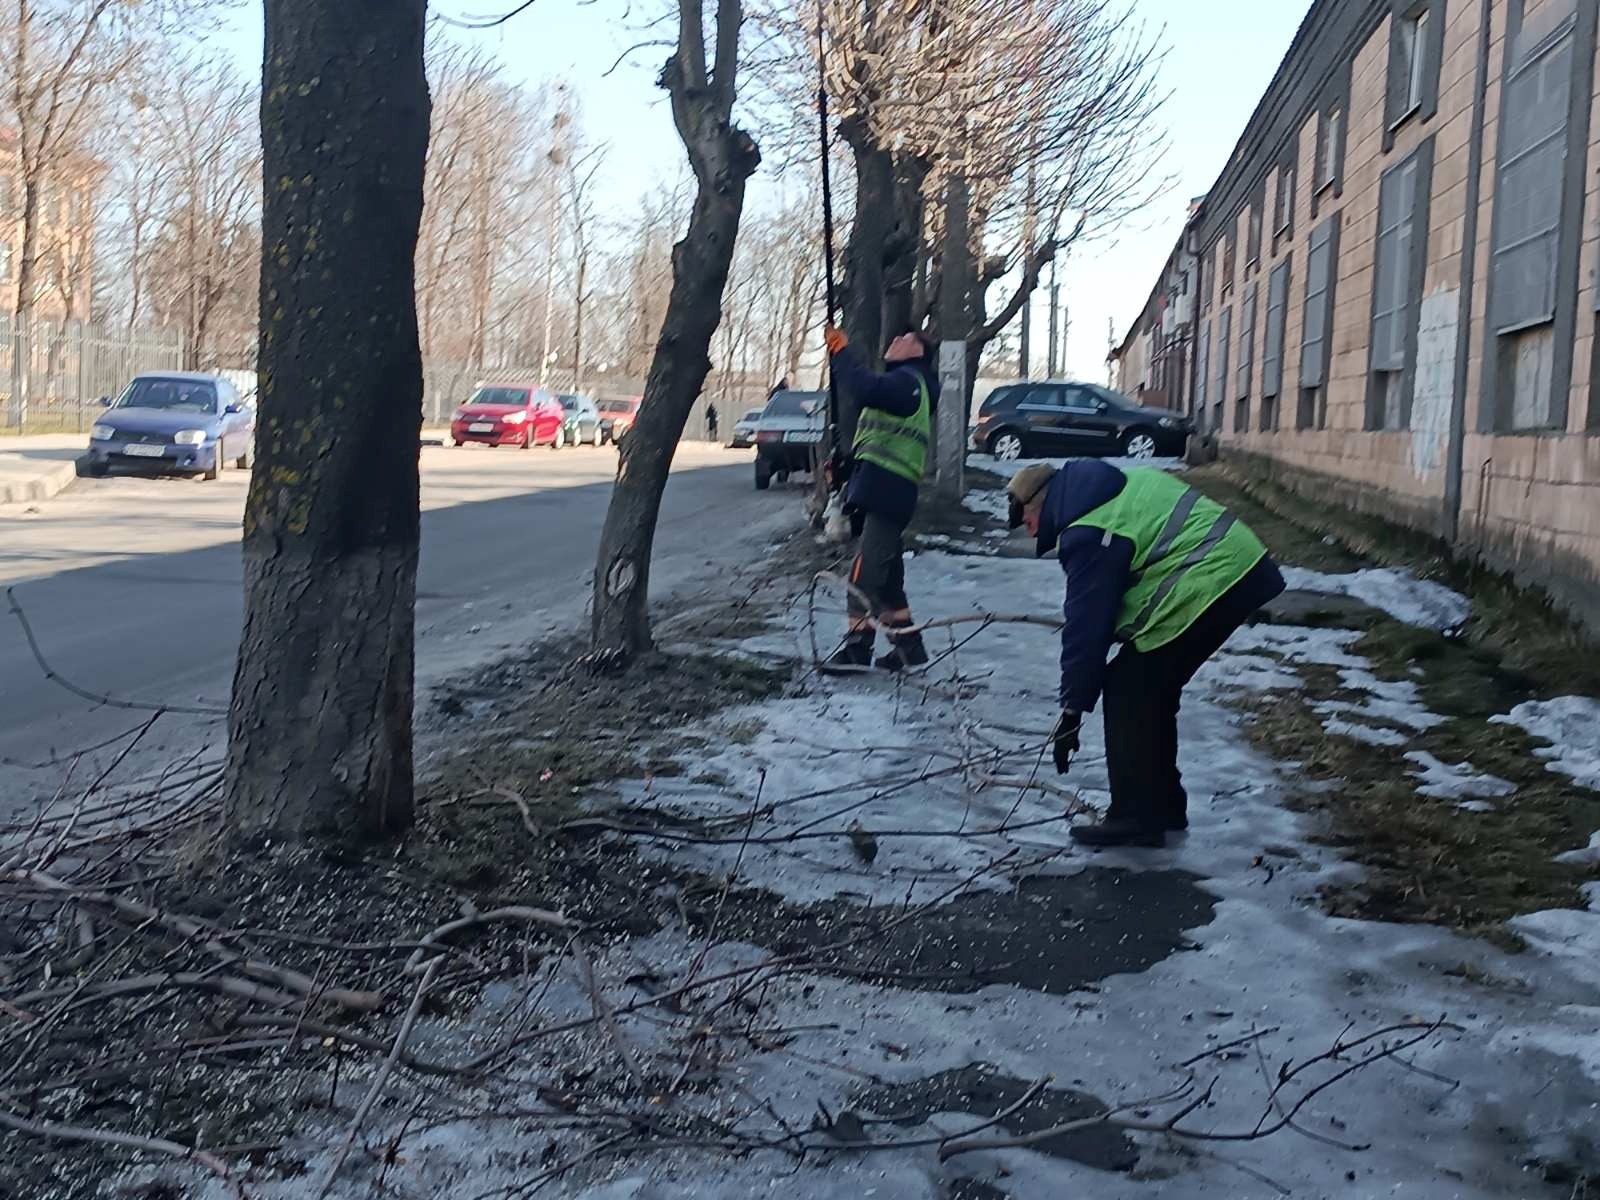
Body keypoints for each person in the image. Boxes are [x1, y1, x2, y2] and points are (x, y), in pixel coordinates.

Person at [1007, 460, 1285, 848]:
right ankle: (1163, 807)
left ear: (1039, 503)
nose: (1029, 530)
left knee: (1128, 688)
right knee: (1149, 687)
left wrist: (1071, 712)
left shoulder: (1088, 532)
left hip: (1217, 578)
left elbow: (1088, 627)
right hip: (1238, 568)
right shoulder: (1112, 488)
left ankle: (1136, 817)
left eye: (1025, 519)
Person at [819, 325, 940, 674]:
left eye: (904, 339)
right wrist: (848, 464)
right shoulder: (906, 385)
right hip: (887, 490)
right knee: (888, 582)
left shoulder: (908, 383)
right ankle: (909, 648)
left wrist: (841, 353)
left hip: (890, 493)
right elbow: (878, 437)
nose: (895, 340)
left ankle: (857, 648)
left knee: (863, 576)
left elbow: (862, 387)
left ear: (917, 353)